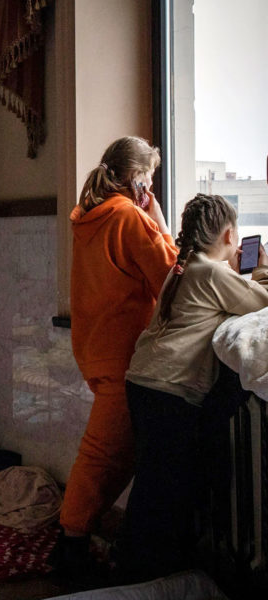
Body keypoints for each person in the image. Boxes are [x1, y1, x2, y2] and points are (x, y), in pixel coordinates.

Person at [116, 194, 268, 582]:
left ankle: (135, 570)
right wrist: (261, 271)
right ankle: (154, 575)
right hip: (169, 389)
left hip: (144, 382)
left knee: (153, 481)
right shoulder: (212, 274)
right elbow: (261, 302)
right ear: (230, 234)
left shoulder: (183, 268)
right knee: (169, 490)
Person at [50, 137, 179, 576]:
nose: (153, 190)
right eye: (151, 179)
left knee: (118, 453)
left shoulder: (90, 216)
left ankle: (79, 538)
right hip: (124, 355)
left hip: (96, 349)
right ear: (138, 180)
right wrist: (159, 222)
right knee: (102, 454)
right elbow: (172, 278)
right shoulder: (127, 216)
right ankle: (70, 546)